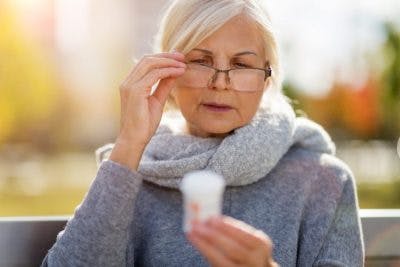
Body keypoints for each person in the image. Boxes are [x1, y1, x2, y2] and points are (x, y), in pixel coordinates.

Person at [41, 0, 365, 266]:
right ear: (167, 70)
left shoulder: (324, 181)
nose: (220, 82)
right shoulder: (128, 175)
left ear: (267, 77)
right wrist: (128, 144)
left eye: (241, 64)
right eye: (201, 60)